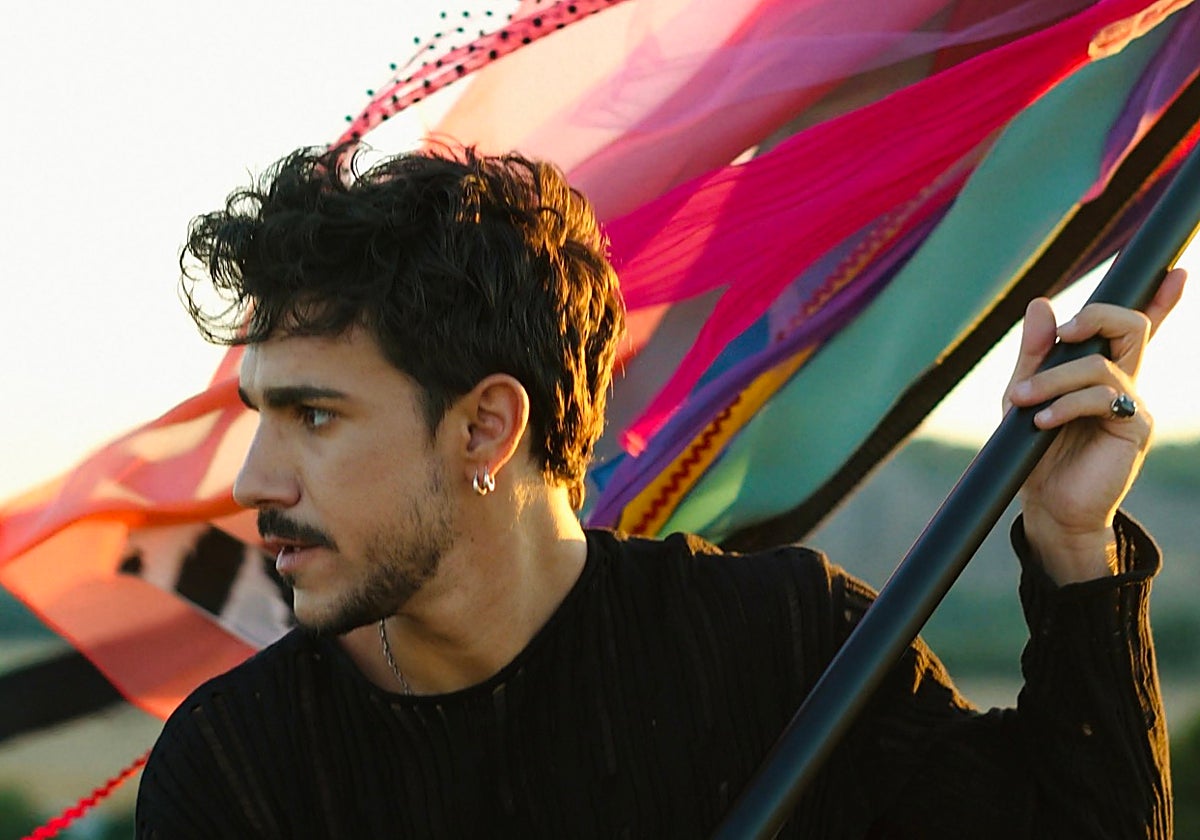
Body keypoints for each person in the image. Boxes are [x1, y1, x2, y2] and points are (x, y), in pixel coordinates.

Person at [135, 143, 1182, 839]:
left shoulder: (787, 649)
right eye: (260, 414)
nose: (252, 480)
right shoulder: (241, 770)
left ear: (485, 426)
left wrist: (1070, 543)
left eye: (313, 416)